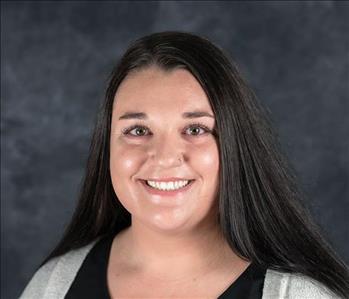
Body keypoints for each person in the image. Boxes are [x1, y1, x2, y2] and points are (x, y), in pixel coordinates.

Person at [19, 31, 348, 299]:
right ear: (106, 148)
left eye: (195, 130)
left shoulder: (298, 295)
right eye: (137, 130)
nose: (164, 156)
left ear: (234, 146)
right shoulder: (52, 287)